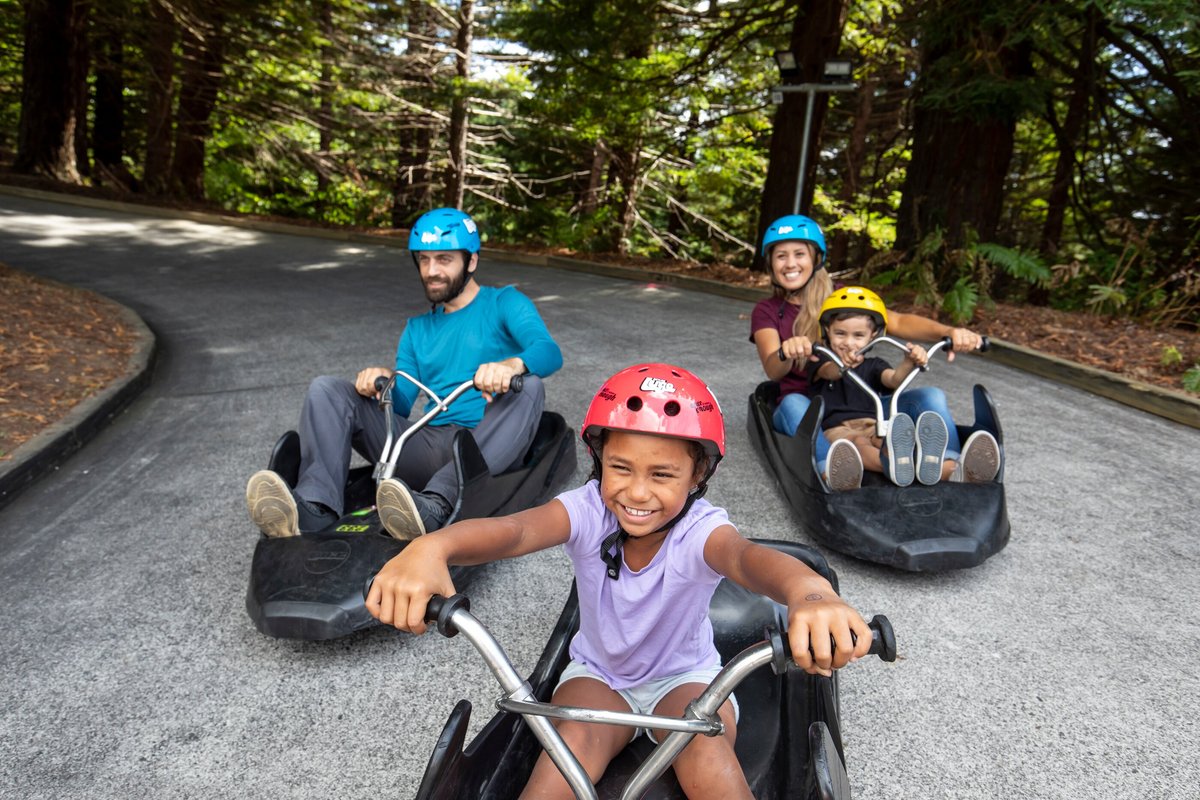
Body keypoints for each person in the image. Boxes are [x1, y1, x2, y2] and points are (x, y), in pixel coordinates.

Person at [366, 363, 874, 799]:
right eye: (620, 467)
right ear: (599, 460)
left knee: (705, 750)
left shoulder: (702, 532)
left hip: (686, 678)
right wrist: (433, 546)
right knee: (565, 758)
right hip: (599, 675)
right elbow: (516, 530)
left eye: (662, 475)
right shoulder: (587, 510)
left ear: (698, 476)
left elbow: (747, 560)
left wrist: (810, 593)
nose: (636, 491)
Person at [245, 207, 563, 541]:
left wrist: (512, 365)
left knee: (529, 386)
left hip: (486, 442)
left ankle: (437, 505)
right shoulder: (417, 330)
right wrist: (381, 383)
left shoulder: (503, 303)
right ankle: (314, 507)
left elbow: (548, 351)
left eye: (443, 259)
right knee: (327, 389)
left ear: (471, 261)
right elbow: (398, 405)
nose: (431, 271)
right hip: (427, 443)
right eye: (424, 260)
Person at [749, 214, 1000, 484]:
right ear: (770, 263)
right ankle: (828, 469)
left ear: (816, 258)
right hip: (814, 404)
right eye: (781, 256)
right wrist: (788, 351)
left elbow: (899, 321)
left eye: (799, 254)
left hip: (863, 398)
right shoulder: (767, 311)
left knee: (931, 396)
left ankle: (949, 465)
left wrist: (948, 332)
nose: (790, 264)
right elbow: (773, 369)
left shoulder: (843, 298)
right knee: (792, 404)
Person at [811, 286, 969, 490]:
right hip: (837, 427)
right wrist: (842, 366)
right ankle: (890, 467)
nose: (848, 343)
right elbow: (828, 371)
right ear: (827, 331)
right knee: (858, 443)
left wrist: (909, 361)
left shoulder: (874, 364)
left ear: (873, 335)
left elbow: (893, 380)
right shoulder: (822, 359)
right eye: (840, 334)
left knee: (886, 439)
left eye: (858, 335)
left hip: (872, 423)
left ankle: (950, 469)